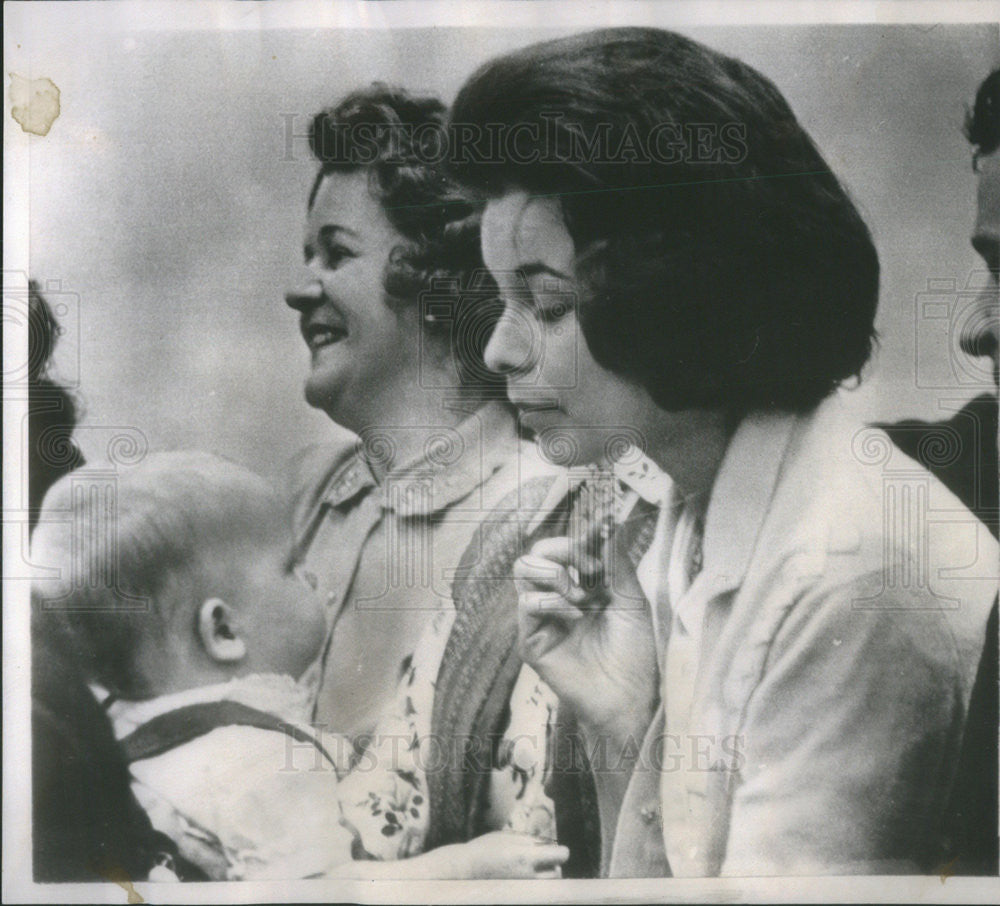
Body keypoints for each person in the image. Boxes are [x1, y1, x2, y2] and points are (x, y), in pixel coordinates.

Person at [448, 27, 1000, 876]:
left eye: (547, 305)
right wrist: (627, 727)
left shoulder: (846, 570)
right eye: (502, 301)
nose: (500, 353)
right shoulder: (691, 511)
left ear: (674, 295)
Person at [31, 452, 568, 881]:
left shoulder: (119, 724)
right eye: (291, 566)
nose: (312, 576)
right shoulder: (260, 766)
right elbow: (328, 895)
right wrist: (468, 867)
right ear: (223, 631)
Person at [283, 84, 553, 742]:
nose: (299, 290)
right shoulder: (313, 496)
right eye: (307, 257)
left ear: (434, 280)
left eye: (337, 254)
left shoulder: (539, 511)